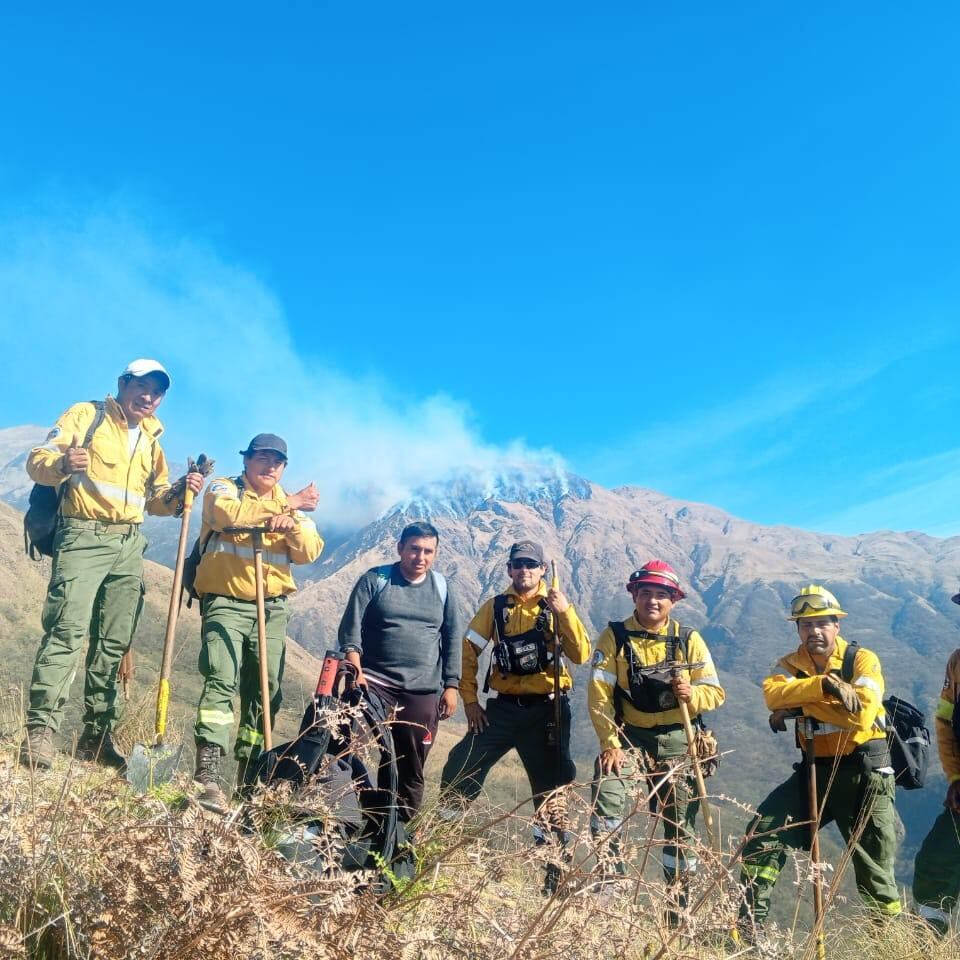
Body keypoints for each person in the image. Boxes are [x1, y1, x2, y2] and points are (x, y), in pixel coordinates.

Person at [20, 359, 203, 770]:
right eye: (142, 386)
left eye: (157, 392)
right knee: (67, 631)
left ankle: (96, 737)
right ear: (123, 383)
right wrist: (63, 465)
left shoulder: (153, 439)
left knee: (114, 643)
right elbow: (38, 459)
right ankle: (40, 732)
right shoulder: (86, 416)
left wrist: (180, 493)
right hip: (83, 535)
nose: (149, 397)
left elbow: (155, 500)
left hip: (128, 545)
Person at [738, 584, 901, 930]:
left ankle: (889, 942)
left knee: (874, 870)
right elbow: (771, 696)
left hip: (864, 773)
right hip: (815, 769)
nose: (814, 631)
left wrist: (798, 705)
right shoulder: (789, 664)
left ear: (836, 625)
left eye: (822, 623)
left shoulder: (862, 660)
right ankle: (748, 929)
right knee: (762, 834)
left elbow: (860, 715)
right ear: (797, 628)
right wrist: (825, 687)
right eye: (806, 624)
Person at [440, 540, 591, 891]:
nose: (525, 570)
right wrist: (470, 701)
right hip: (502, 710)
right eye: (518, 564)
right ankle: (443, 842)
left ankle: (554, 877)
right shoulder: (494, 608)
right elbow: (467, 649)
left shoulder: (556, 606)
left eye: (532, 564)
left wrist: (564, 611)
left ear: (542, 570)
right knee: (460, 765)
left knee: (551, 793)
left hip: (548, 711)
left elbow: (581, 654)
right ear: (509, 569)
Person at [191, 433, 323, 809]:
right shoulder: (224, 487)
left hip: (271, 608)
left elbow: (311, 550)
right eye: (262, 458)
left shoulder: (290, 507)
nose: (270, 467)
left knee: (265, 689)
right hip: (226, 602)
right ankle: (208, 773)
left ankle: (250, 776)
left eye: (277, 462)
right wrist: (287, 503)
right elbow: (224, 516)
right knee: (220, 677)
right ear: (246, 460)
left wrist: (292, 521)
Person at [589, 560, 724, 906]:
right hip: (630, 737)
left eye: (661, 595)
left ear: (673, 600)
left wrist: (692, 695)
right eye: (645, 592)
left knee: (680, 826)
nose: (652, 600)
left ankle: (678, 905)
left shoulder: (687, 640)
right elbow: (599, 694)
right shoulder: (614, 636)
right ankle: (611, 879)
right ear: (634, 595)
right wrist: (610, 743)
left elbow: (715, 692)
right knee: (608, 788)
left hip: (681, 739)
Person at [338, 521, 463, 823]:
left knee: (409, 764)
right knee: (347, 746)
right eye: (414, 549)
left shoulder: (443, 589)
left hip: (421, 691)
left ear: (435, 554)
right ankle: (350, 817)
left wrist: (451, 685)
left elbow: (452, 637)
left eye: (428, 551)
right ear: (400, 549)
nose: (420, 557)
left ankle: (397, 830)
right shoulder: (376, 580)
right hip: (374, 683)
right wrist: (356, 668)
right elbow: (350, 629)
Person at [911, 589, 960, 936]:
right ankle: (928, 948)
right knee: (934, 866)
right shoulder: (957, 662)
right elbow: (945, 720)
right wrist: (956, 775)